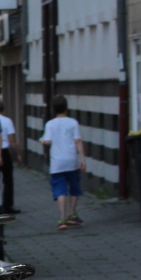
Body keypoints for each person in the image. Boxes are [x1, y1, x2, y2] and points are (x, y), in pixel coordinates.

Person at [40, 94, 86, 230]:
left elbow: (47, 141)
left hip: (57, 163)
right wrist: (82, 158)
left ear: (53, 109)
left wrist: (42, 140)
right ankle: (73, 214)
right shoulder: (73, 122)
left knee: (60, 190)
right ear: (66, 107)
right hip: (71, 160)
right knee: (74, 187)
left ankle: (62, 218)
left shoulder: (50, 124)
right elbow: (78, 141)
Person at [0, 100, 21, 213]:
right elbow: (12, 140)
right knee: (8, 180)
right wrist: (18, 154)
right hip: (5, 152)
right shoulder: (7, 121)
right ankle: (8, 205)